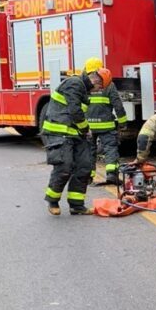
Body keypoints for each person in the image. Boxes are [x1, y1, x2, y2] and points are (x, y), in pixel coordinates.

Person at [42, 63, 112, 216]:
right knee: (64, 167)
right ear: (96, 81)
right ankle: (53, 200)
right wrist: (86, 129)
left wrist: (84, 131)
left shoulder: (83, 90)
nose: (98, 91)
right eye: (100, 88)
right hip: (58, 132)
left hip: (75, 133)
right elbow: (74, 110)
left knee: (84, 167)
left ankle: (76, 205)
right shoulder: (74, 83)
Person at [83, 57, 127, 184]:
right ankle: (111, 174)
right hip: (106, 126)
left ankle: (88, 177)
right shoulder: (108, 84)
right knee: (110, 148)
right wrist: (123, 122)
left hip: (88, 126)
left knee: (89, 151)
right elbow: (117, 104)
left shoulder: (83, 84)